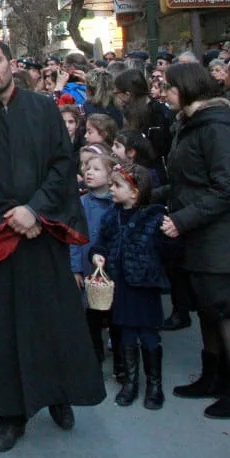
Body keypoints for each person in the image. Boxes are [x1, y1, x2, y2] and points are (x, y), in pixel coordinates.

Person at [0, 38, 105, 454]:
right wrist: (14, 219)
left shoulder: (44, 110)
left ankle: (59, 396)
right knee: (4, 329)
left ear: (11, 64)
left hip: (44, 233)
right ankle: (10, 415)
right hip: (0, 241)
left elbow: (61, 165)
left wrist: (35, 210)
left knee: (54, 321)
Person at [160, 61, 230, 419]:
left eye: (169, 87)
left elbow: (225, 190)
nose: (164, 92)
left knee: (227, 311)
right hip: (197, 232)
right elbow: (189, 182)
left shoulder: (217, 127)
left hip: (218, 235)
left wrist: (181, 220)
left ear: (186, 89)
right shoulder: (190, 124)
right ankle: (213, 377)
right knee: (207, 309)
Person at [91, 163, 173, 409]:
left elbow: (169, 251)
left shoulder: (155, 218)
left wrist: (172, 236)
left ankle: (154, 385)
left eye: (117, 185)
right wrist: (97, 255)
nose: (112, 189)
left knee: (148, 336)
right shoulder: (111, 216)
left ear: (135, 192)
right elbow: (101, 243)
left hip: (145, 286)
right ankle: (130, 381)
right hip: (121, 286)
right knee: (125, 334)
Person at [71, 148, 117, 378]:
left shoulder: (117, 204)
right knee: (90, 316)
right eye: (87, 168)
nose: (89, 172)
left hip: (113, 271)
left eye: (96, 169)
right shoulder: (81, 203)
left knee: (113, 315)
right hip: (89, 270)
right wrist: (75, 268)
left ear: (110, 176)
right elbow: (74, 239)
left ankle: (121, 361)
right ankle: (94, 357)